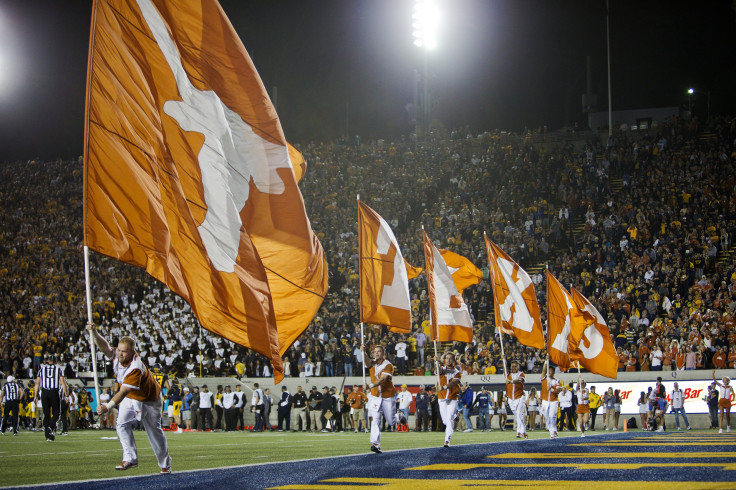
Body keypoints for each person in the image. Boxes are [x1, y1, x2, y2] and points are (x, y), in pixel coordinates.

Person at [87, 322, 171, 473]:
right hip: (131, 397)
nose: (120, 354)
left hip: (150, 400)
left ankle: (165, 465)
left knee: (154, 431)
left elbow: (123, 391)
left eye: (124, 352)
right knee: (121, 424)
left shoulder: (135, 367)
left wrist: (108, 406)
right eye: (119, 350)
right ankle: (130, 458)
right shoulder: (117, 356)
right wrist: (94, 333)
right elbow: (105, 347)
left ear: (133, 352)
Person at [364, 344, 396, 453]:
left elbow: (382, 380)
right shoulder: (372, 363)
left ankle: (399, 416)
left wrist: (370, 386)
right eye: (375, 351)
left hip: (387, 396)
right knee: (375, 419)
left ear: (383, 353)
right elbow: (367, 362)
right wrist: (363, 352)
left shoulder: (388, 365)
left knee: (391, 422)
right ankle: (376, 444)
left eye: (379, 351)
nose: (376, 353)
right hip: (376, 396)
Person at [34, 355, 69, 442]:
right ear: (56, 361)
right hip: (54, 392)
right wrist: (66, 395)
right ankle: (51, 426)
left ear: (48, 361)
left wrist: (35, 396)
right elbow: (63, 383)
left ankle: (47, 436)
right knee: (56, 413)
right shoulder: (58, 369)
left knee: (46, 414)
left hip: (44, 392)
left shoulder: (42, 369)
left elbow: (37, 383)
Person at [436, 351, 462, 447]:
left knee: (449, 419)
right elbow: (437, 371)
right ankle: (455, 415)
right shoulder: (441, 369)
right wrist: (437, 362)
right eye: (447, 358)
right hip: (442, 397)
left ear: (454, 360)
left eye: (450, 358)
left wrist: (444, 387)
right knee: (444, 421)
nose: (448, 360)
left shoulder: (457, 372)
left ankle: (447, 440)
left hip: (452, 397)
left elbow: (454, 383)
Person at [540, 360, 561, 439]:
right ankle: (552, 431)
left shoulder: (557, 381)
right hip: (545, 400)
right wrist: (546, 361)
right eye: (549, 371)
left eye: (551, 371)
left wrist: (551, 389)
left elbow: (558, 391)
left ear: (554, 372)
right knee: (547, 417)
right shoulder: (544, 379)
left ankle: (553, 432)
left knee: (552, 416)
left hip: (553, 401)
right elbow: (543, 370)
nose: (550, 372)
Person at [506, 361, 528, 439]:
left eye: (515, 366)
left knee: (518, 413)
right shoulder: (508, 374)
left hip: (519, 397)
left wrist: (511, 381)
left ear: (518, 367)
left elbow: (519, 380)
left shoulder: (521, 374)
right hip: (511, 398)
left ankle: (522, 432)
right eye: (513, 366)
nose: (514, 368)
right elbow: (505, 366)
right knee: (517, 416)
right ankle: (521, 431)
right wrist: (504, 358)